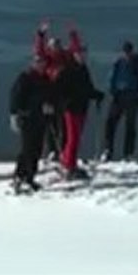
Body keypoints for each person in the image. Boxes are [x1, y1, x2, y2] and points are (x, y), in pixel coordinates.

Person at [34, 21, 84, 160]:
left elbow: (76, 50)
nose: (56, 47)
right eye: (53, 45)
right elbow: (39, 51)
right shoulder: (48, 58)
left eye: (58, 44)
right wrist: (41, 35)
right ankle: (52, 150)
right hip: (50, 93)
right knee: (51, 123)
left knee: (65, 124)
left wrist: (73, 34)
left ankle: (63, 149)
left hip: (64, 95)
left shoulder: (66, 57)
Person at [56, 46, 104, 179]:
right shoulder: (67, 70)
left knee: (76, 138)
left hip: (82, 107)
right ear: (74, 55)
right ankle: (69, 167)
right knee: (73, 138)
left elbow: (87, 88)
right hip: (71, 108)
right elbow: (58, 88)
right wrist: (64, 102)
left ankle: (67, 161)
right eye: (80, 54)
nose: (83, 56)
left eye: (84, 54)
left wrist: (97, 95)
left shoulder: (83, 69)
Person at [102, 41, 138, 162]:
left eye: (128, 51)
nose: (127, 53)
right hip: (121, 96)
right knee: (112, 124)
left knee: (126, 125)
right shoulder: (123, 63)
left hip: (129, 95)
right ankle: (111, 151)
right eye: (126, 51)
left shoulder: (135, 64)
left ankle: (125, 153)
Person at [9, 55, 52, 192]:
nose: (41, 65)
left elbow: (49, 97)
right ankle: (21, 176)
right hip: (27, 118)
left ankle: (28, 177)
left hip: (40, 119)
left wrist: (50, 106)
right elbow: (15, 96)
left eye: (42, 62)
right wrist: (15, 114)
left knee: (36, 149)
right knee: (28, 148)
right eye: (38, 62)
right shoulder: (25, 77)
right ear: (33, 63)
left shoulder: (45, 79)